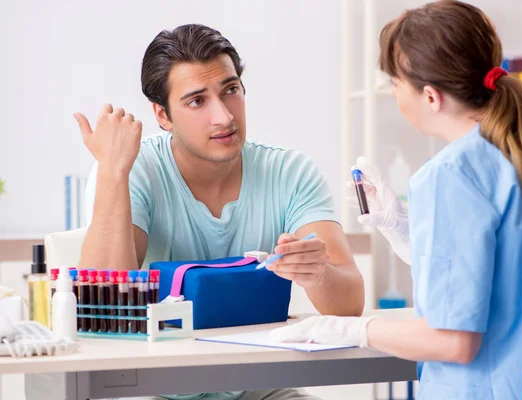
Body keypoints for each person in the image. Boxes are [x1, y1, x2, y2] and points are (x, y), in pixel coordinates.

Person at [270, 1, 522, 399]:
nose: (393, 93)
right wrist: (402, 232)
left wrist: (352, 328)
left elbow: (453, 341)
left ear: (429, 96)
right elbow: (508, 277)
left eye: (394, 83)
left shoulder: (451, 175)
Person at [74, 24, 365, 400]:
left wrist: (317, 273)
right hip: (155, 388)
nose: (224, 117)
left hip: (259, 387)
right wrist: (113, 173)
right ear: (163, 115)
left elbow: (349, 307)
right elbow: (105, 302)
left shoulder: (290, 172)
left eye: (230, 91)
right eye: (197, 101)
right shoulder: (132, 169)